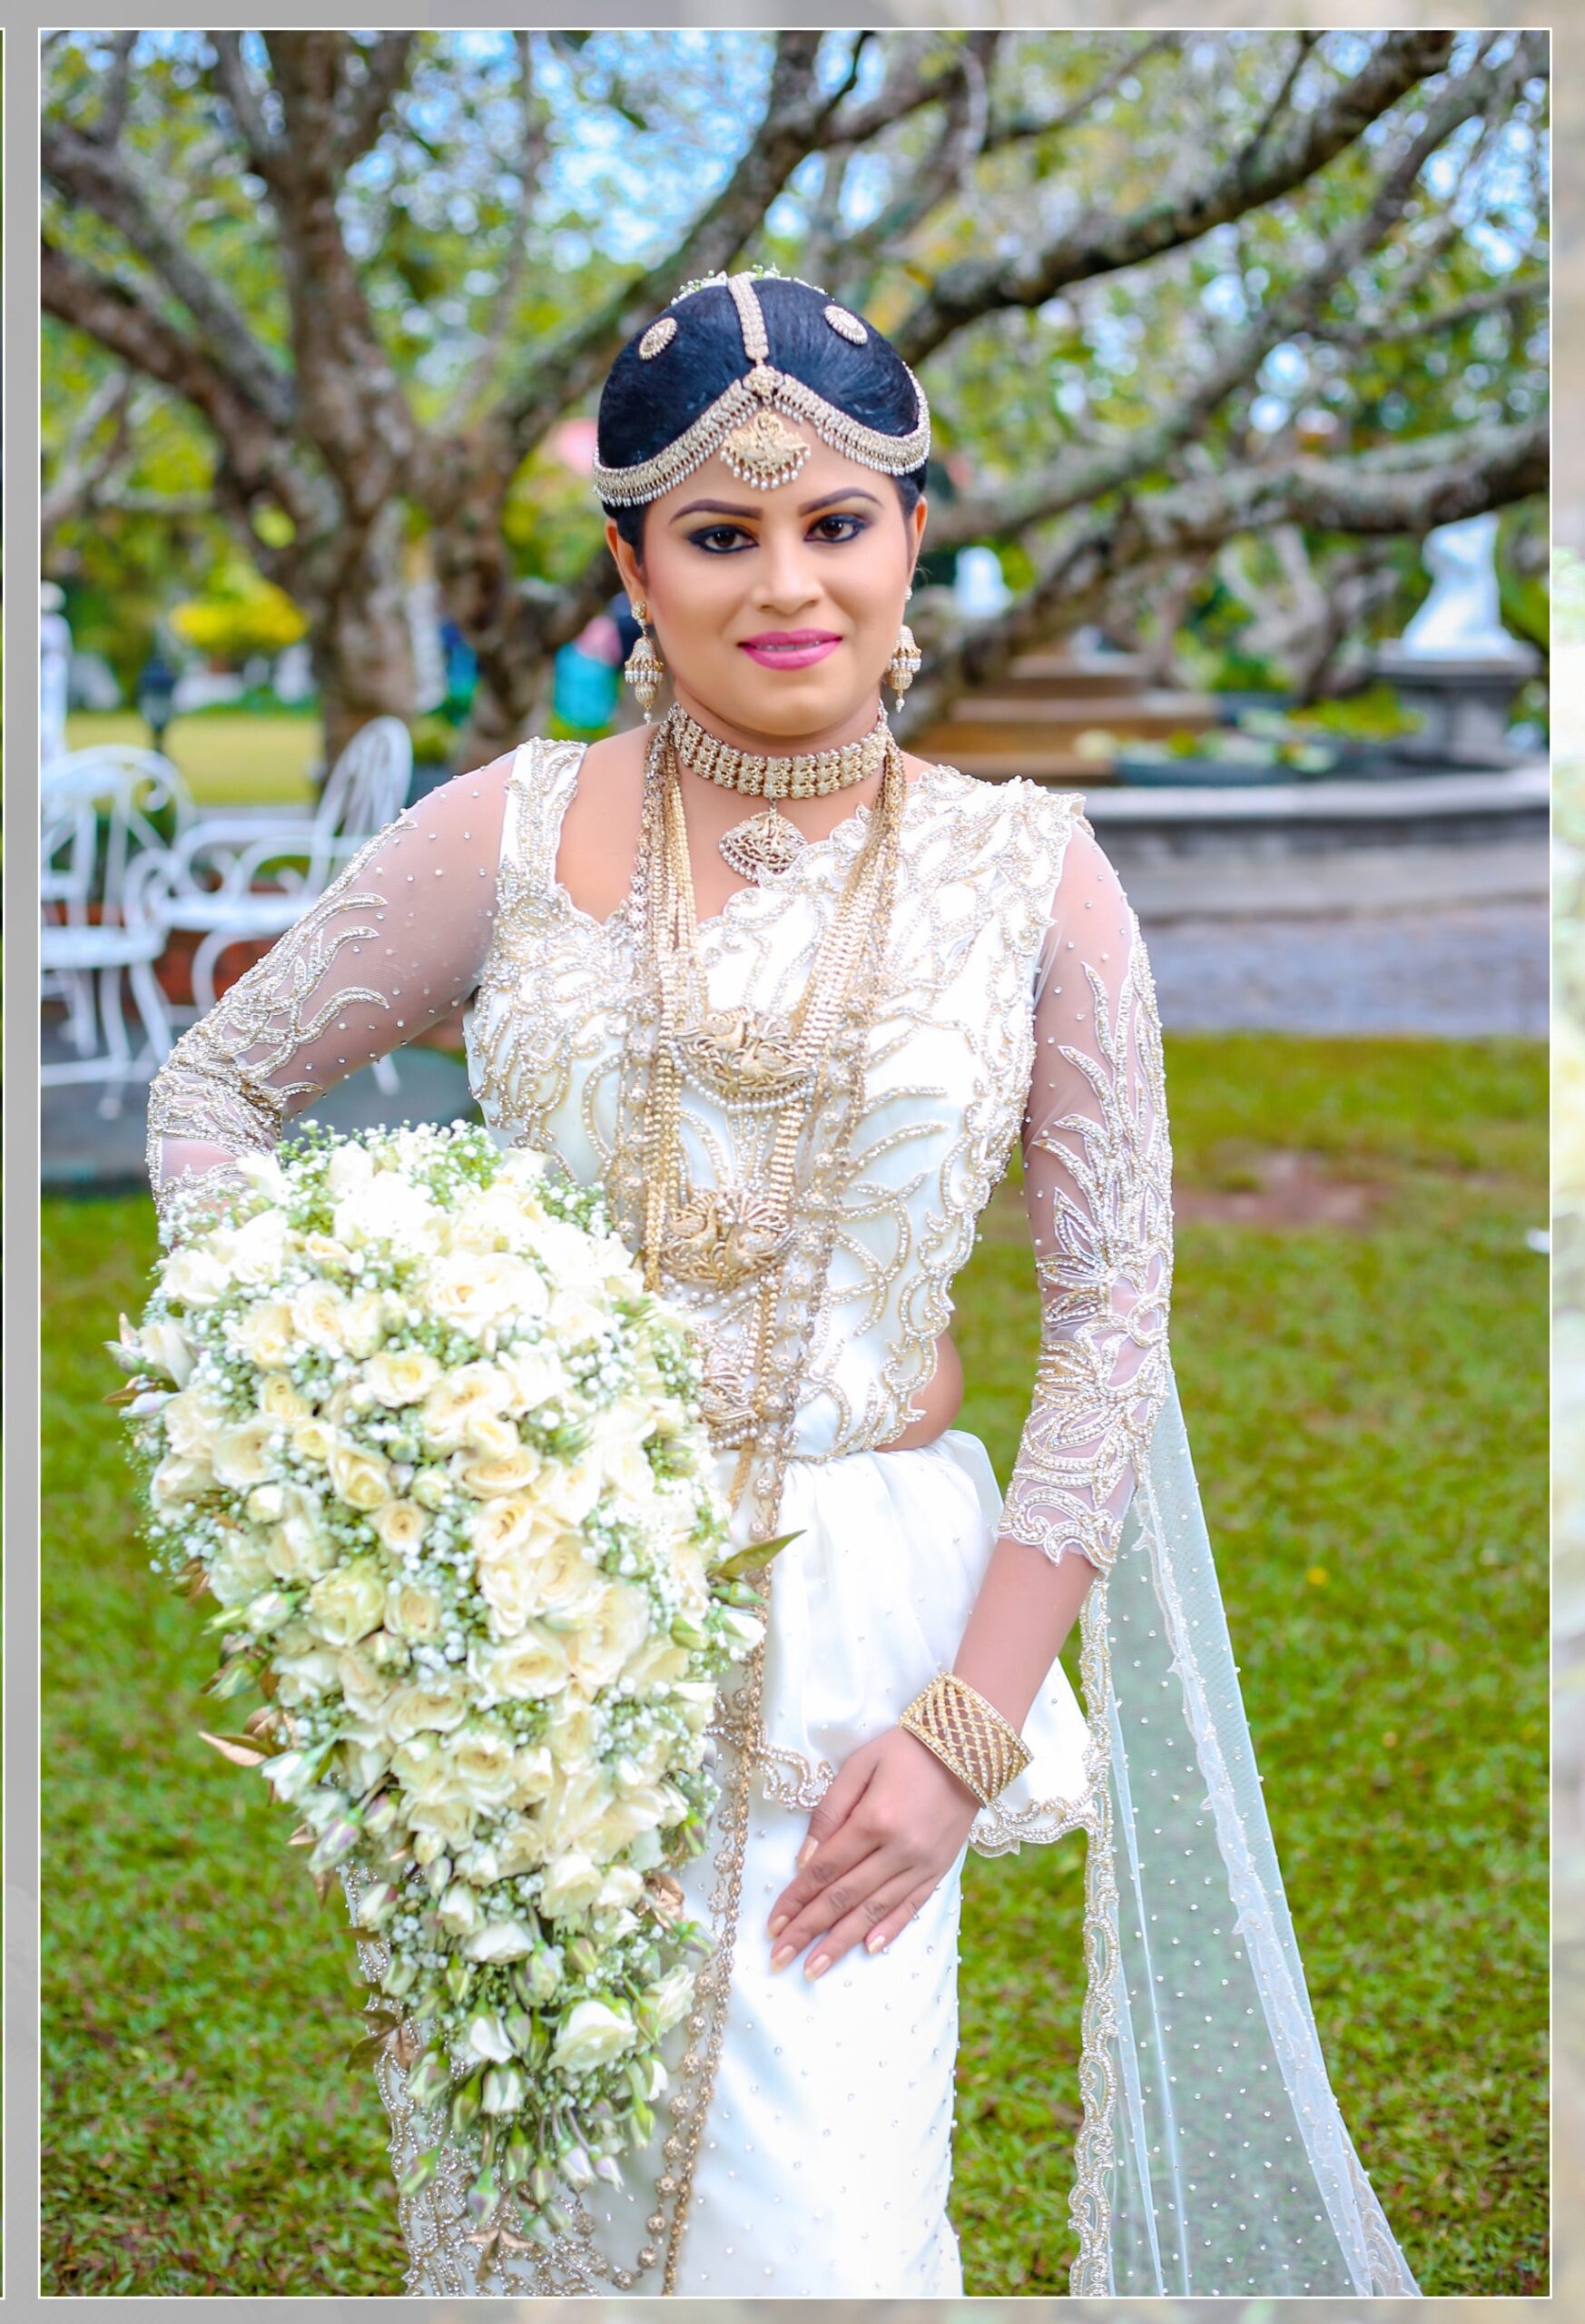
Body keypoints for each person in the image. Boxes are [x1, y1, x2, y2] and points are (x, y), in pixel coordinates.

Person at [144, 269, 1420, 2299]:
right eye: (720, 536)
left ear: (917, 533)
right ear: (634, 568)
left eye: (837, 523)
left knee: (818, 2249)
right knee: (542, 2215)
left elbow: (1105, 1327)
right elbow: (212, 1087)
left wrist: (967, 1724)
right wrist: (332, 1403)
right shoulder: (504, 833)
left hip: (856, 1650)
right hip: (529, 1642)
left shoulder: (1035, 876)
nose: (785, 584)